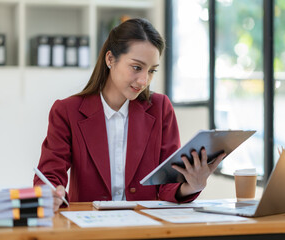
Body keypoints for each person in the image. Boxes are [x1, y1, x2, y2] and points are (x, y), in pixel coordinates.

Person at [33, 18, 226, 212]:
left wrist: (193, 185)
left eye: (151, 71)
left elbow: (168, 184)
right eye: (136, 67)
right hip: (89, 226)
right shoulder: (67, 111)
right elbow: (49, 177)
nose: (144, 80)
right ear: (110, 59)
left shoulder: (160, 108)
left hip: (144, 226)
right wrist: (51, 194)